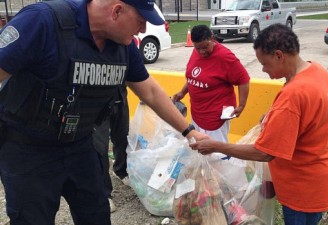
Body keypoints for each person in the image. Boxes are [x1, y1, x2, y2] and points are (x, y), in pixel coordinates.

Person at [0, 0, 208, 224]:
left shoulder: (123, 47)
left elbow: (150, 92)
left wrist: (189, 132)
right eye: (140, 21)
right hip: (28, 149)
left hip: (79, 144)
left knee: (96, 214)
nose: (144, 30)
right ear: (117, 10)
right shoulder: (42, 21)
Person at [190, 24, 328, 225]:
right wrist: (274, 115)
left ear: (279, 55)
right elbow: (309, 114)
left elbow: (265, 152)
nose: (262, 69)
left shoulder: (293, 96)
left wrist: (215, 146)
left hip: (302, 188)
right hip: (325, 176)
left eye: (264, 63)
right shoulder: (317, 70)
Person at [172, 25, 250, 144]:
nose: (202, 52)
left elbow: (243, 79)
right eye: (198, 48)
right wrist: (183, 92)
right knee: (198, 148)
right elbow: (193, 77)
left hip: (216, 116)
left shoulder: (225, 57)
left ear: (212, 38)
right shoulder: (197, 51)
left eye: (205, 47)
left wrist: (241, 105)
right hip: (197, 113)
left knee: (217, 155)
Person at [92, 84, 130, 213]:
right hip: (97, 103)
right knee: (100, 147)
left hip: (120, 98)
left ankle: (121, 170)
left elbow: (136, 76)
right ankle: (104, 194)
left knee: (123, 138)